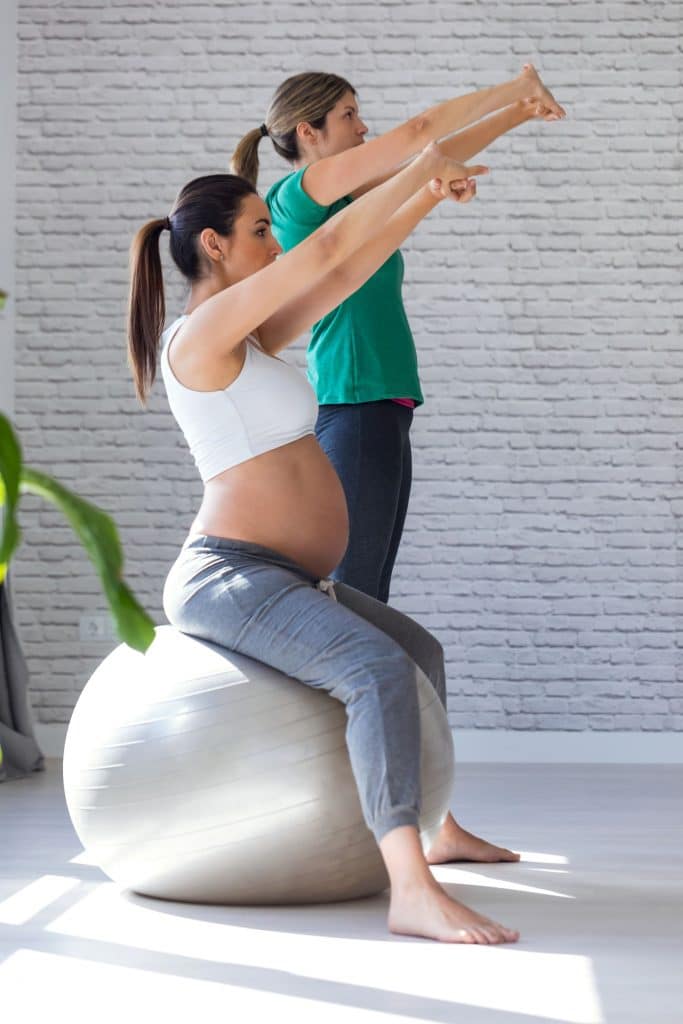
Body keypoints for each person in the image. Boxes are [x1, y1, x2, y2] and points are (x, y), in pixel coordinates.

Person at [127, 145, 522, 944]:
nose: (275, 244)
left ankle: (437, 828)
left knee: (418, 651)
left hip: (284, 575)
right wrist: (418, 168)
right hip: (228, 577)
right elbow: (331, 248)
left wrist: (425, 201)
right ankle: (408, 889)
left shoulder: (249, 339)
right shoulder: (198, 337)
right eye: (261, 230)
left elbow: (342, 274)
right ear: (215, 245)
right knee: (373, 668)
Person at [230, 64, 565, 602]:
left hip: (381, 403)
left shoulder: (342, 202)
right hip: (356, 400)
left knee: (369, 591)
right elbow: (418, 134)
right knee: (353, 593)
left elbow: (432, 157)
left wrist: (518, 114)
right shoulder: (300, 193)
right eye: (348, 115)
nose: (363, 127)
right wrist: (515, 87)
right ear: (307, 133)